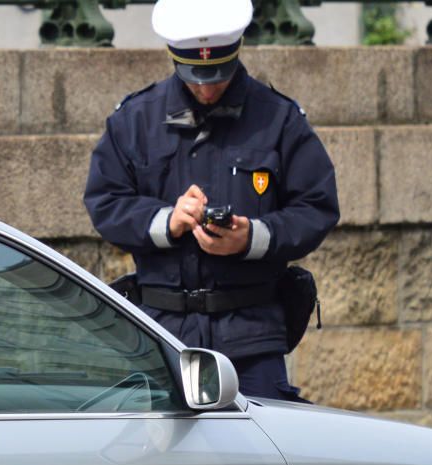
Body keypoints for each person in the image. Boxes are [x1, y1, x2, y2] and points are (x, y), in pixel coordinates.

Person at [83, 0, 339, 402]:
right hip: (161, 336)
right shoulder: (136, 120)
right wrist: (166, 221)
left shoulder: (279, 119)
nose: (206, 89)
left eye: (217, 77)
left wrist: (253, 237)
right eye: (195, 77)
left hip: (252, 337)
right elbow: (105, 200)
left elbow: (316, 205)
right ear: (174, 59)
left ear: (235, 53)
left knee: (259, 459)